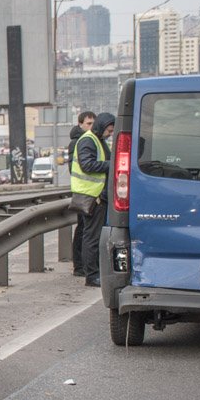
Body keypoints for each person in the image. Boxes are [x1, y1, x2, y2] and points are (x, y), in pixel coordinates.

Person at [72, 112, 114, 288]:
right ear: (102, 126)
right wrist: (113, 164)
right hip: (91, 196)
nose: (110, 134)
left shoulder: (99, 141)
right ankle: (91, 275)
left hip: (97, 196)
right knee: (91, 238)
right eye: (109, 130)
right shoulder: (88, 140)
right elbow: (87, 165)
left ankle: (95, 272)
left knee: (94, 237)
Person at [65, 111, 95, 276]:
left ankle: (82, 265)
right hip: (83, 192)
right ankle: (79, 266)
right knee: (83, 230)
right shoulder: (78, 143)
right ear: (80, 124)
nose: (91, 127)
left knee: (85, 229)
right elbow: (75, 169)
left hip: (89, 191)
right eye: (88, 123)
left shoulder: (90, 141)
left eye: (93, 123)